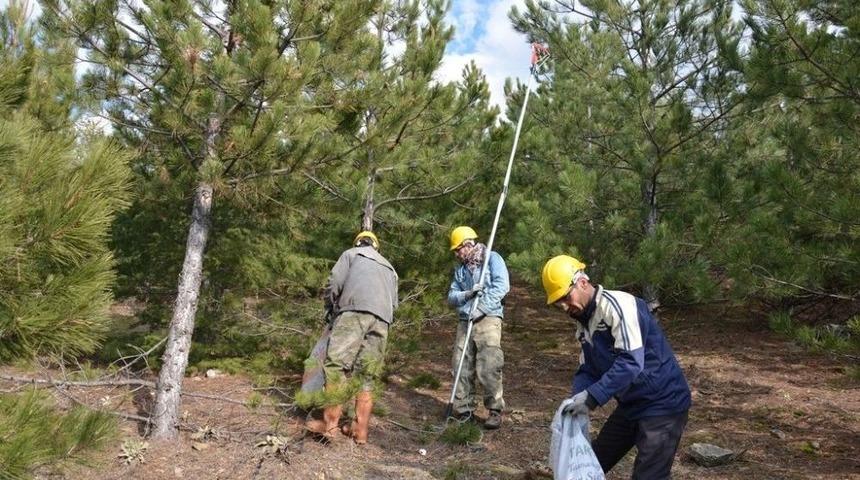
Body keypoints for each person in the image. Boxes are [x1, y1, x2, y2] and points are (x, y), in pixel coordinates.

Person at [541, 255, 691, 479]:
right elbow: (589, 369)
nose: (563, 306)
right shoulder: (584, 323)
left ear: (582, 283)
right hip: (631, 405)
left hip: (663, 403)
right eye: (557, 303)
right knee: (591, 463)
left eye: (565, 297)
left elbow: (631, 362)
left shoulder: (619, 306)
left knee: (649, 476)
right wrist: (575, 399)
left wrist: (592, 397)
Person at [305, 231, 398, 445]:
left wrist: (330, 307)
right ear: (376, 246)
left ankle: (329, 425)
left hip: (354, 310)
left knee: (336, 365)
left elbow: (334, 283)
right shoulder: (390, 268)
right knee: (367, 372)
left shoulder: (351, 254)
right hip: (382, 319)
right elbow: (394, 302)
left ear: (358, 243)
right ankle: (360, 430)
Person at [446, 226, 510, 430]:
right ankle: (464, 411)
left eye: (458, 250)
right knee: (461, 364)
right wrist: (467, 294)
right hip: (465, 320)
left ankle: (494, 410)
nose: (456, 254)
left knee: (489, 364)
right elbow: (451, 297)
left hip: (489, 318)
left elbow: (502, 285)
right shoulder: (461, 270)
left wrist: (482, 307)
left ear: (467, 245)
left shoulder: (492, 258)